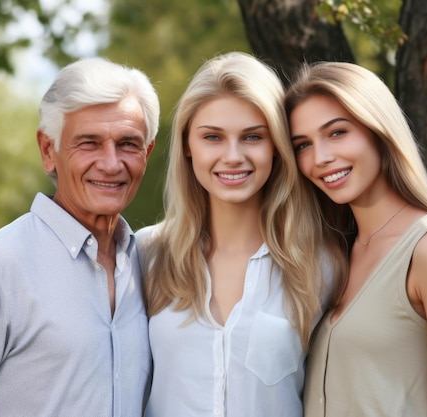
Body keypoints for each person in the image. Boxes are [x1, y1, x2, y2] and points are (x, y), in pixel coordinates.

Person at [0, 57, 159, 417]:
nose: (111, 163)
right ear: (48, 151)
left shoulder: (150, 265)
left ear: (147, 153)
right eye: (89, 143)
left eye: (128, 144)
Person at [285, 61, 427, 417]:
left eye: (338, 132)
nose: (321, 158)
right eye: (303, 145)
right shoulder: (335, 254)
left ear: (378, 130)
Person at [136, 52, 342, 417]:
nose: (232, 156)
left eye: (252, 137)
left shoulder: (324, 265)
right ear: (187, 145)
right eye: (212, 137)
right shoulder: (145, 254)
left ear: (276, 145)